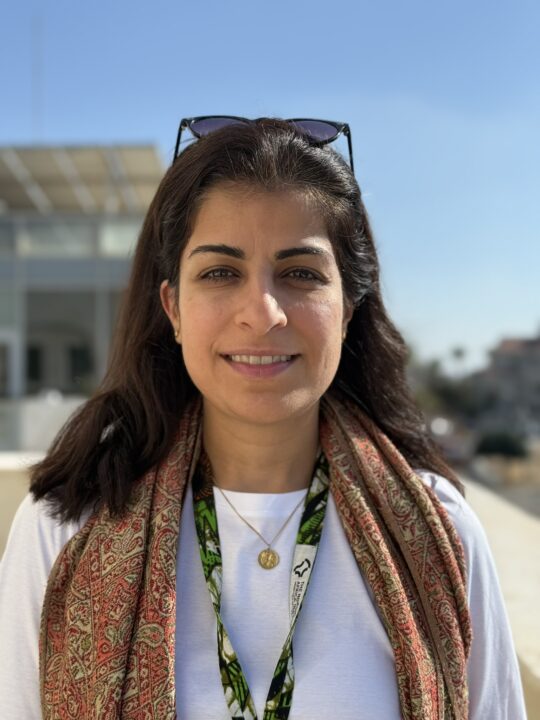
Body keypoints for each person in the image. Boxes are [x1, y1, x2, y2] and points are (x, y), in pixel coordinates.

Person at [0, 117, 527, 720]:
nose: (263, 312)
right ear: (173, 308)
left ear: (347, 308)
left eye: (300, 273)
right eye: (220, 273)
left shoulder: (441, 534)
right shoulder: (65, 527)